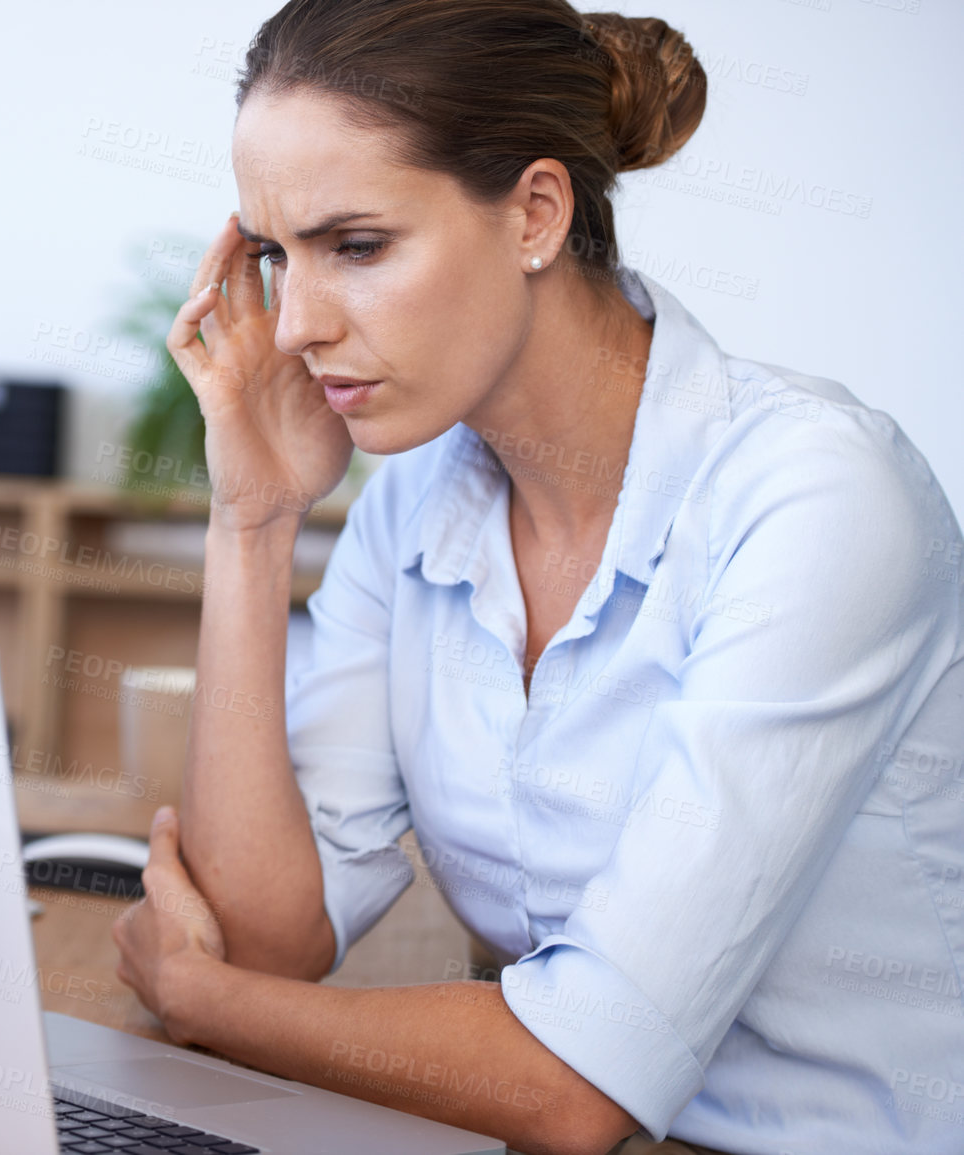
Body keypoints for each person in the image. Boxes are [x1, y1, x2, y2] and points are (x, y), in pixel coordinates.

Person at [107, 2, 964, 1153]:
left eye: (356, 246)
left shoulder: (813, 498)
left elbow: (576, 1087)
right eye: (274, 255)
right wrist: (254, 524)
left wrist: (209, 1004)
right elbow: (266, 941)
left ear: (536, 215)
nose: (298, 323)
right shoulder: (418, 490)